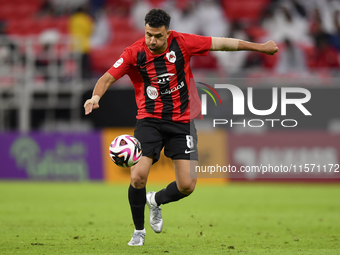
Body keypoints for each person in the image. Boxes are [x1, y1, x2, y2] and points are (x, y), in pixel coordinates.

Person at [84, 8, 278, 246]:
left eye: (157, 36)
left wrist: (260, 47)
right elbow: (106, 78)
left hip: (181, 122)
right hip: (149, 120)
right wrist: (95, 97)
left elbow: (223, 44)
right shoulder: (134, 53)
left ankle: (155, 200)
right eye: (148, 35)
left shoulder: (183, 42)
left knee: (187, 185)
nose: (152, 40)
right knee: (137, 177)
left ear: (168, 33)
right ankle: (138, 231)